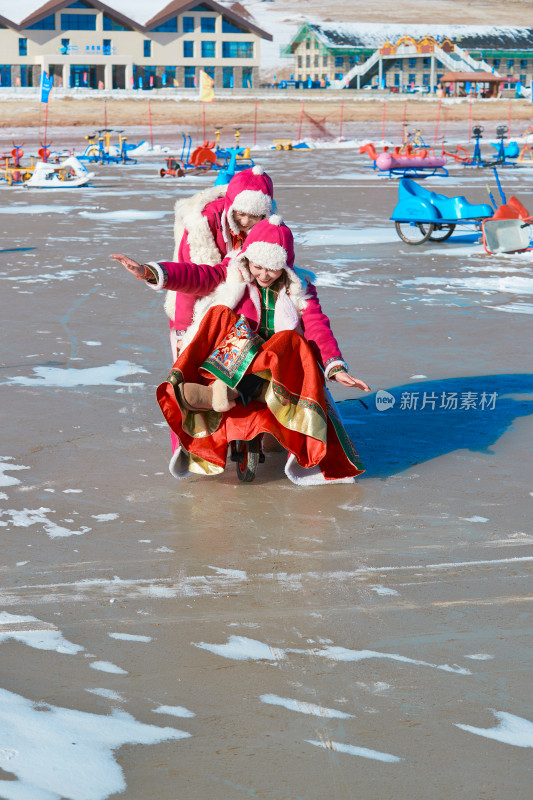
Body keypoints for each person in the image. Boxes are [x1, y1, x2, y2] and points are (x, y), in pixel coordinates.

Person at [111, 216, 370, 485]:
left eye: (272, 269)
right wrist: (147, 272)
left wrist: (336, 368)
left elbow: (317, 328)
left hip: (280, 366)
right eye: (257, 266)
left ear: (285, 267)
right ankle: (220, 389)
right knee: (222, 315)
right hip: (238, 357)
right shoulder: (234, 274)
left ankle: (229, 392)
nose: (264, 275)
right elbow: (195, 275)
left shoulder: (300, 289)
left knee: (291, 341)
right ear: (247, 260)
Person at [167, 165, 276, 360]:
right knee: (188, 355)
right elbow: (188, 278)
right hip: (199, 289)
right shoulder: (202, 223)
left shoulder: (269, 226)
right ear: (231, 205)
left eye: (253, 217)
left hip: (237, 299)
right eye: (240, 214)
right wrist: (182, 331)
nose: (244, 221)